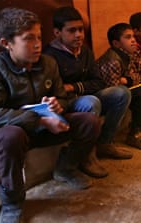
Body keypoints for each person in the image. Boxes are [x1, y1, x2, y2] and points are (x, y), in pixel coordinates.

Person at [0, 8, 101, 222]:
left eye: (39, 37)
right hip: (17, 133)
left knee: (90, 122)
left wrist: (57, 105)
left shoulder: (48, 63)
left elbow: (61, 96)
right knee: (9, 136)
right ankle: (13, 201)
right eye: (28, 38)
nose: (37, 44)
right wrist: (39, 120)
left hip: (46, 125)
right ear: (7, 43)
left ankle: (66, 168)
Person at [43, 7, 133, 170]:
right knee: (91, 102)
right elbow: (57, 92)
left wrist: (73, 86)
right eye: (72, 30)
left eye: (80, 29)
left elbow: (98, 82)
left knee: (121, 92)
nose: (78, 35)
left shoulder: (85, 51)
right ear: (57, 33)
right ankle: (86, 154)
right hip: (68, 102)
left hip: (85, 94)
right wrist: (77, 89)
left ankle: (105, 143)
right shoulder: (49, 56)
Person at [96, 23, 141, 150]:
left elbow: (139, 75)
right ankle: (133, 134)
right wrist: (129, 80)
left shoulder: (129, 54)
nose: (133, 40)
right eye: (128, 37)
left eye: (133, 36)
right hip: (105, 97)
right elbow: (113, 89)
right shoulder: (113, 60)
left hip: (122, 90)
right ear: (116, 43)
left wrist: (126, 80)